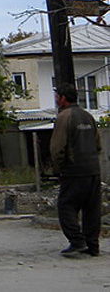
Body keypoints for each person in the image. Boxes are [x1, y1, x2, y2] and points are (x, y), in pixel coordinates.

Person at [50, 83, 102, 257]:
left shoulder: (64, 117)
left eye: (57, 96)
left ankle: (77, 241)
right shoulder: (88, 116)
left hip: (74, 170)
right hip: (93, 170)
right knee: (92, 209)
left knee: (66, 206)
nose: (56, 99)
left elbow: (57, 148)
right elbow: (98, 145)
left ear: (63, 98)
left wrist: (58, 169)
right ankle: (92, 245)